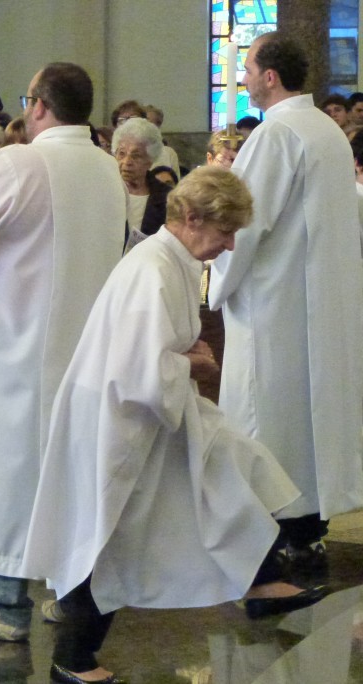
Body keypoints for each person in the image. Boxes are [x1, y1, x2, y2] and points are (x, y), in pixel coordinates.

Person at [22, 167, 325, 684]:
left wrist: (185, 358)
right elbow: (138, 369)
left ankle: (262, 579)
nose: (230, 245)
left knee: (234, 467)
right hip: (118, 422)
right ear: (191, 218)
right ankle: (72, 658)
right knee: (106, 535)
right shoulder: (154, 270)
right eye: (225, 231)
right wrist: (194, 363)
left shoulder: (173, 261)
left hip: (147, 414)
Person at [0, 62, 126, 645]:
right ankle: (69, 595)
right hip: (82, 345)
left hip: (11, 346)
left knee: (5, 478)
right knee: (68, 476)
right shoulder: (106, 167)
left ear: (38, 105)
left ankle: (6, 608)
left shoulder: (17, 163)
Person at [209, 32, 363, 575]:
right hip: (317, 300)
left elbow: (245, 222)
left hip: (274, 305)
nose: (245, 78)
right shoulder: (326, 129)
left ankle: (274, 534)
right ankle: (307, 528)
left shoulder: (276, 134)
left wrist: (215, 279)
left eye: (249, 69)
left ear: (270, 76)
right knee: (307, 418)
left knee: (270, 420)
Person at [112, 117, 170, 246]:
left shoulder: (166, 197)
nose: (127, 162)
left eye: (136, 155)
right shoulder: (104, 191)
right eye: (121, 153)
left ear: (149, 161)